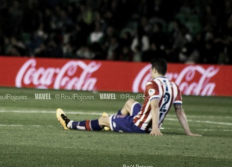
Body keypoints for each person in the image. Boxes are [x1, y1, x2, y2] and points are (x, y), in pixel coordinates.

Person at [56, 58, 201, 136]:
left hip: (140, 125)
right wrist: (188, 132)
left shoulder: (152, 84)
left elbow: (155, 105)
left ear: (154, 70)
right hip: (149, 120)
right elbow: (179, 111)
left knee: (103, 120)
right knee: (130, 102)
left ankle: (69, 124)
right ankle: (115, 123)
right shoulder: (174, 86)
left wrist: (155, 129)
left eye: (151, 69)